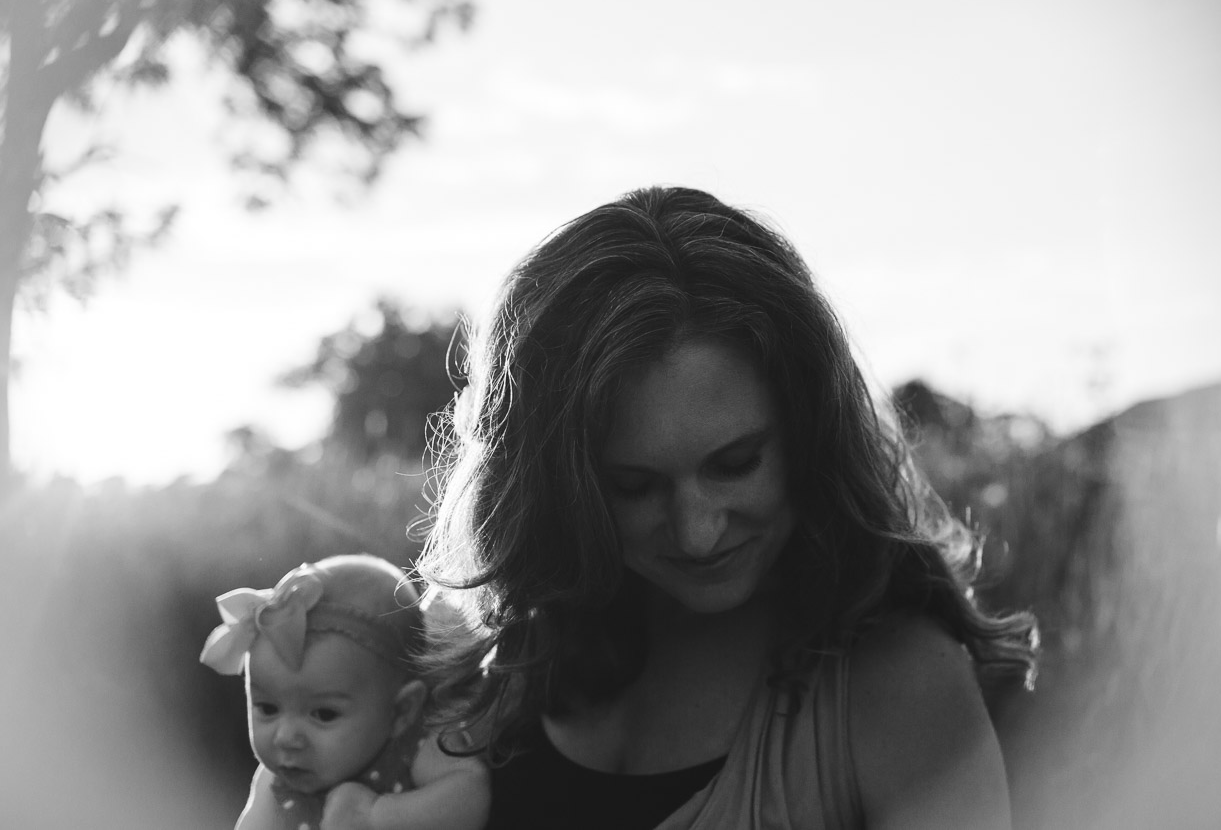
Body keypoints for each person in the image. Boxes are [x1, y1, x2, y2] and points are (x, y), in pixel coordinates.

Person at [418, 186, 1038, 829]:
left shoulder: (901, 686)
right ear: (556, 488)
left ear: (810, 431)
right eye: (634, 486)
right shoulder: (491, 656)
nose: (697, 534)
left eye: (735, 464)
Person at [200, 554, 491, 830]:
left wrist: (376, 816)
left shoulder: (412, 744)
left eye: (323, 714)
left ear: (402, 710)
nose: (285, 737)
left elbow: (470, 793)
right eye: (267, 708)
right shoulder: (275, 785)